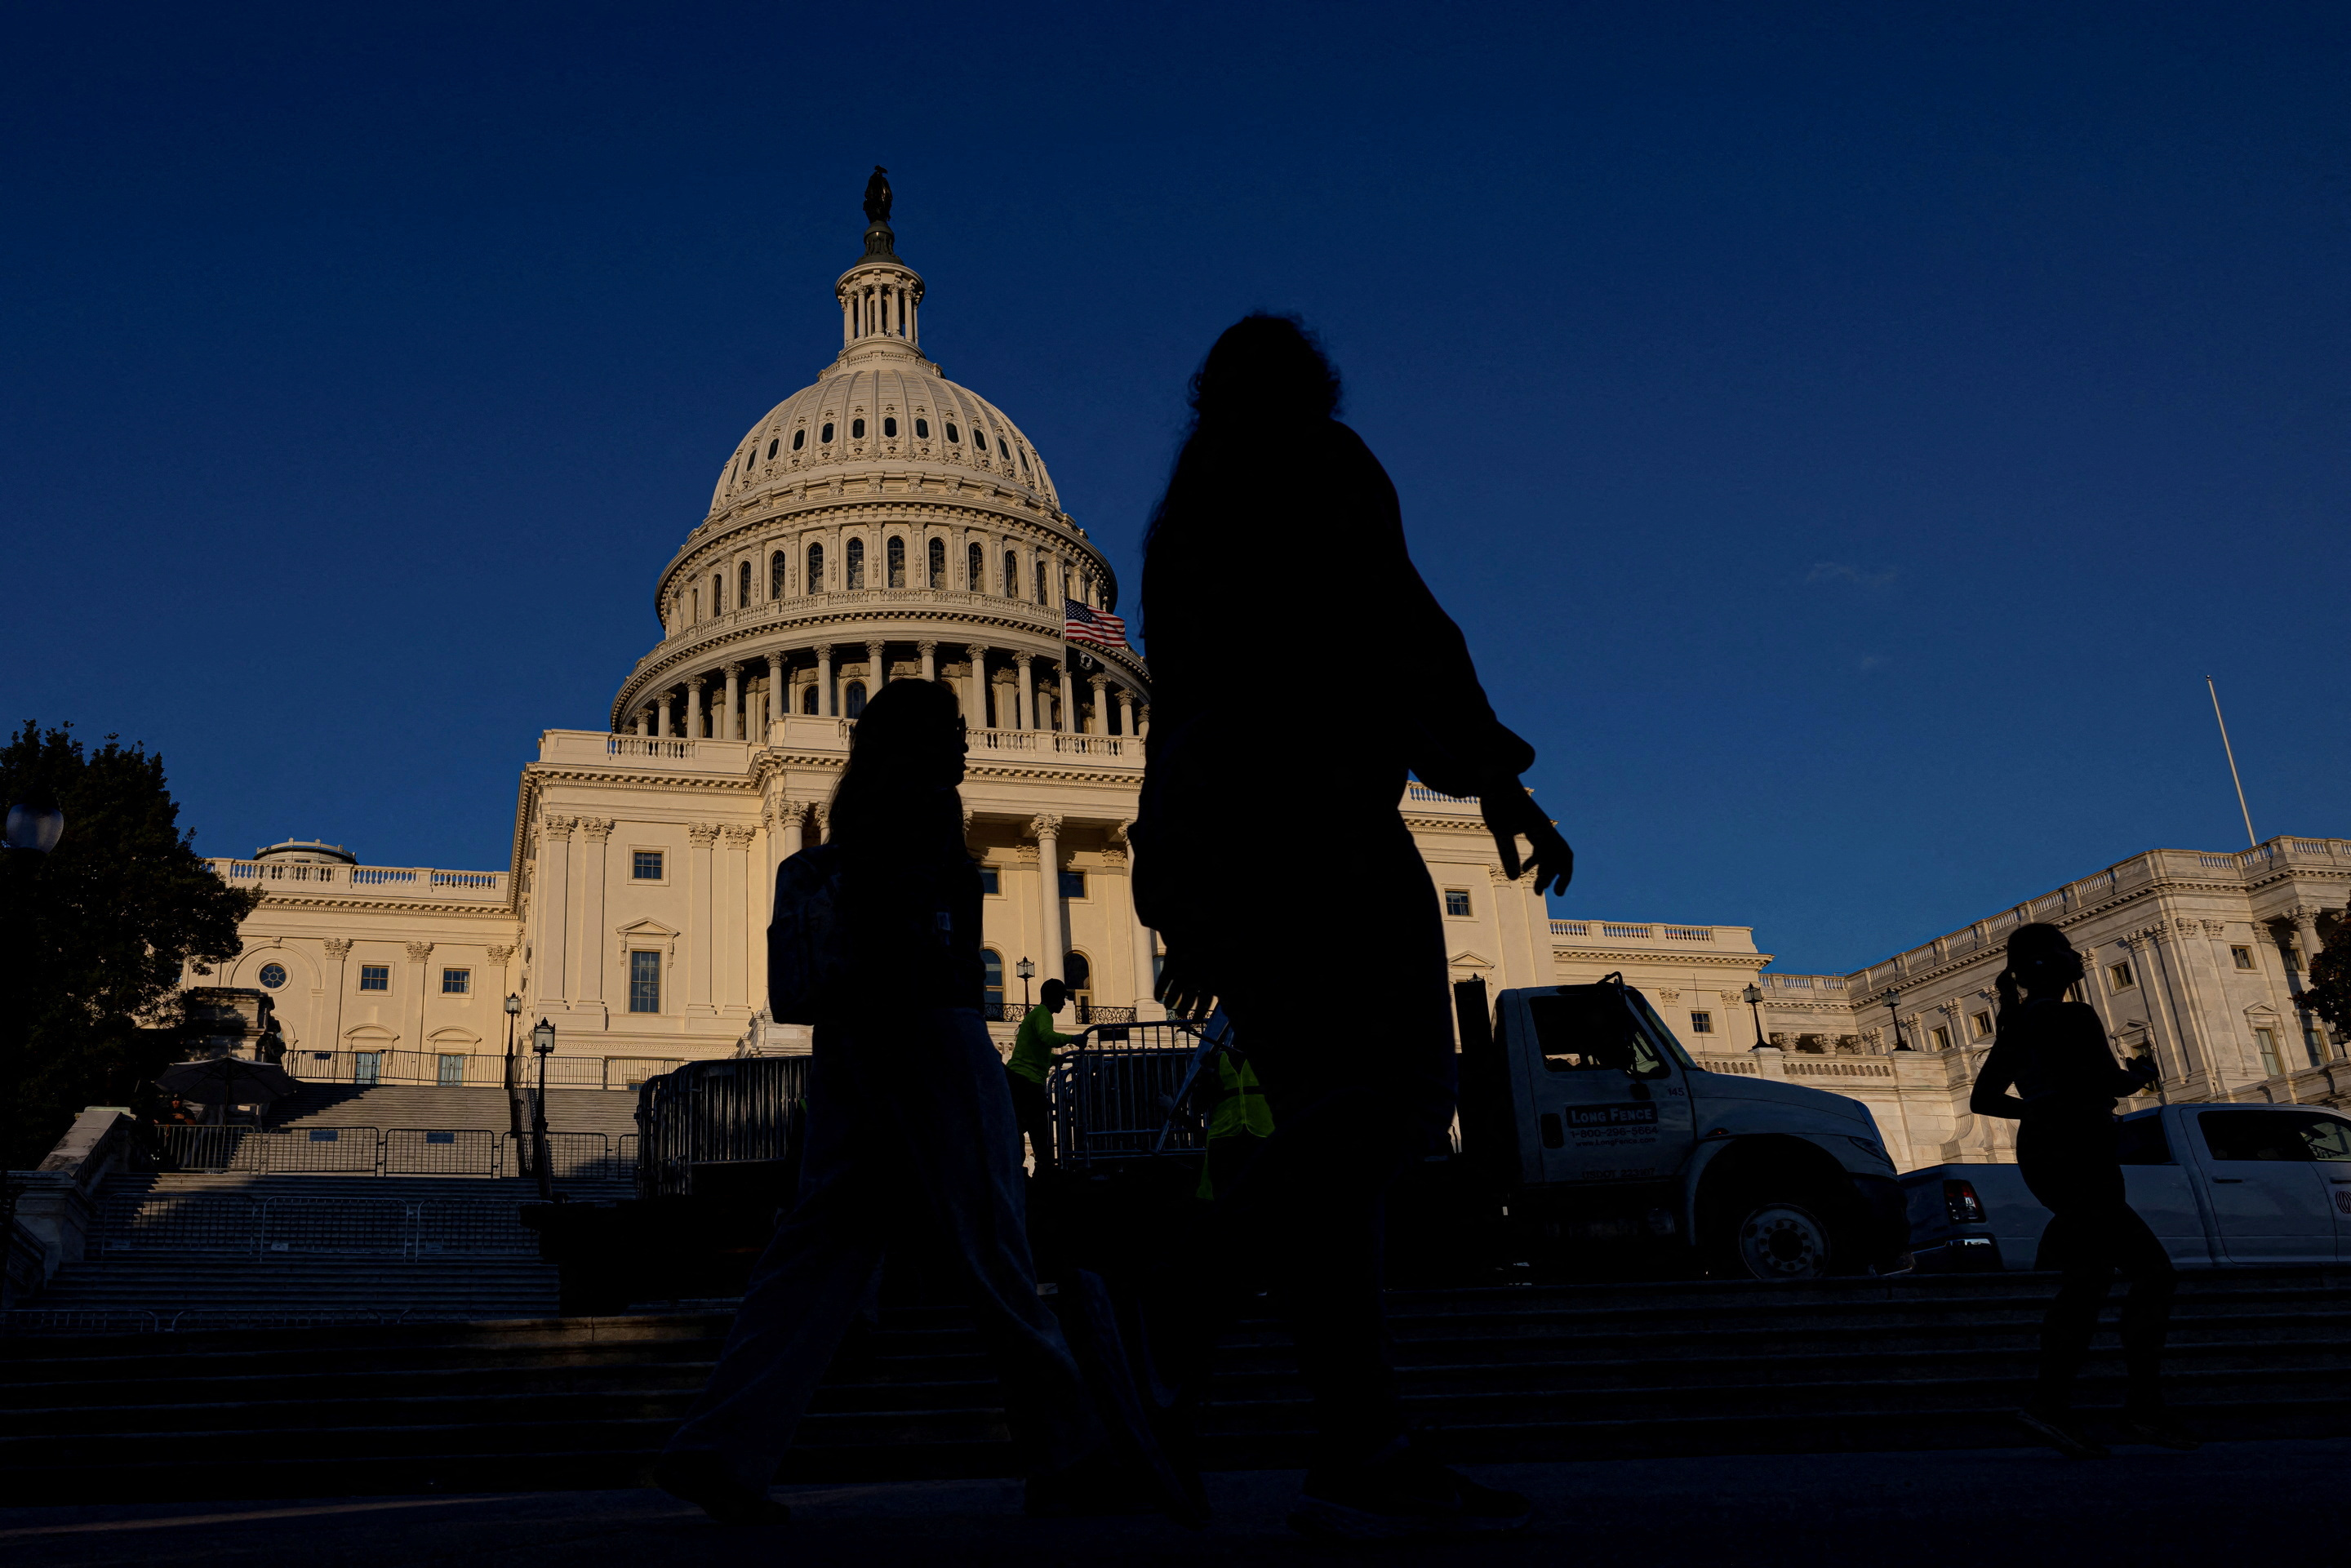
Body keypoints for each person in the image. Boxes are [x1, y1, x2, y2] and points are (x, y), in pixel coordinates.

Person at [1132, 313, 1573, 1539]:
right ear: (1308, 384)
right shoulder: (1320, 463)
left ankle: (1361, 1436)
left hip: (1215, 834)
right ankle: (1181, 1297)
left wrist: (1183, 906)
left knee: (1337, 1157)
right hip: (1316, 817)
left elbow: (1190, 704)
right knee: (1394, 1097)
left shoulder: (1188, 506)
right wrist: (1495, 777)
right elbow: (1406, 629)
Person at [654, 680, 1132, 1524]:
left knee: (814, 1254)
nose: (964, 742)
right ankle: (1070, 1446)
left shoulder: (859, 825)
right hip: (930, 1038)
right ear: (913, 739)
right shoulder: (923, 821)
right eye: (948, 729)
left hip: (850, 1043)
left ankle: (720, 1445)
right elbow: (923, 945)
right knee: (992, 1242)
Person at [1969, 922, 2198, 1459]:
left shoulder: (2018, 1022)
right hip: (2082, 1148)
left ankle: (2056, 1404)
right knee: (2152, 1272)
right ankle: (2134, 1404)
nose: (2078, 959)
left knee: (2090, 1276)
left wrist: (2039, 1107)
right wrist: (2137, 1073)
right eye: (2069, 950)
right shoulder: (2074, 1014)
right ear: (2052, 963)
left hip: (2045, 1150)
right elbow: (2104, 1082)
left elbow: (1984, 1097)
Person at [1007, 977, 1073, 1170]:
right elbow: (1047, 1036)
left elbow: (1038, 1052)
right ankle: (1045, 1171)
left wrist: (1058, 1059)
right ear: (1054, 997)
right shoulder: (1044, 1014)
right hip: (1026, 1081)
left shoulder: (1036, 1014)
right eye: (1062, 998)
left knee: (1024, 1127)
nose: (1063, 1002)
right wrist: (1073, 1039)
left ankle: (1026, 1168)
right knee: (1039, 1129)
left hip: (1019, 1079)